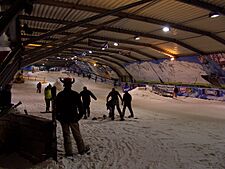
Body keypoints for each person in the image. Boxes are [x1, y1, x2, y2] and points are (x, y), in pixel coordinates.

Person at [56, 77, 89, 156]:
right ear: (71, 85)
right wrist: (78, 117)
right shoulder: (75, 94)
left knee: (66, 135)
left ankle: (68, 152)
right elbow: (81, 108)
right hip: (73, 118)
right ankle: (81, 149)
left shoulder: (60, 95)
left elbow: (56, 108)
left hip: (63, 118)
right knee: (77, 134)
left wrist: (59, 117)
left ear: (64, 85)